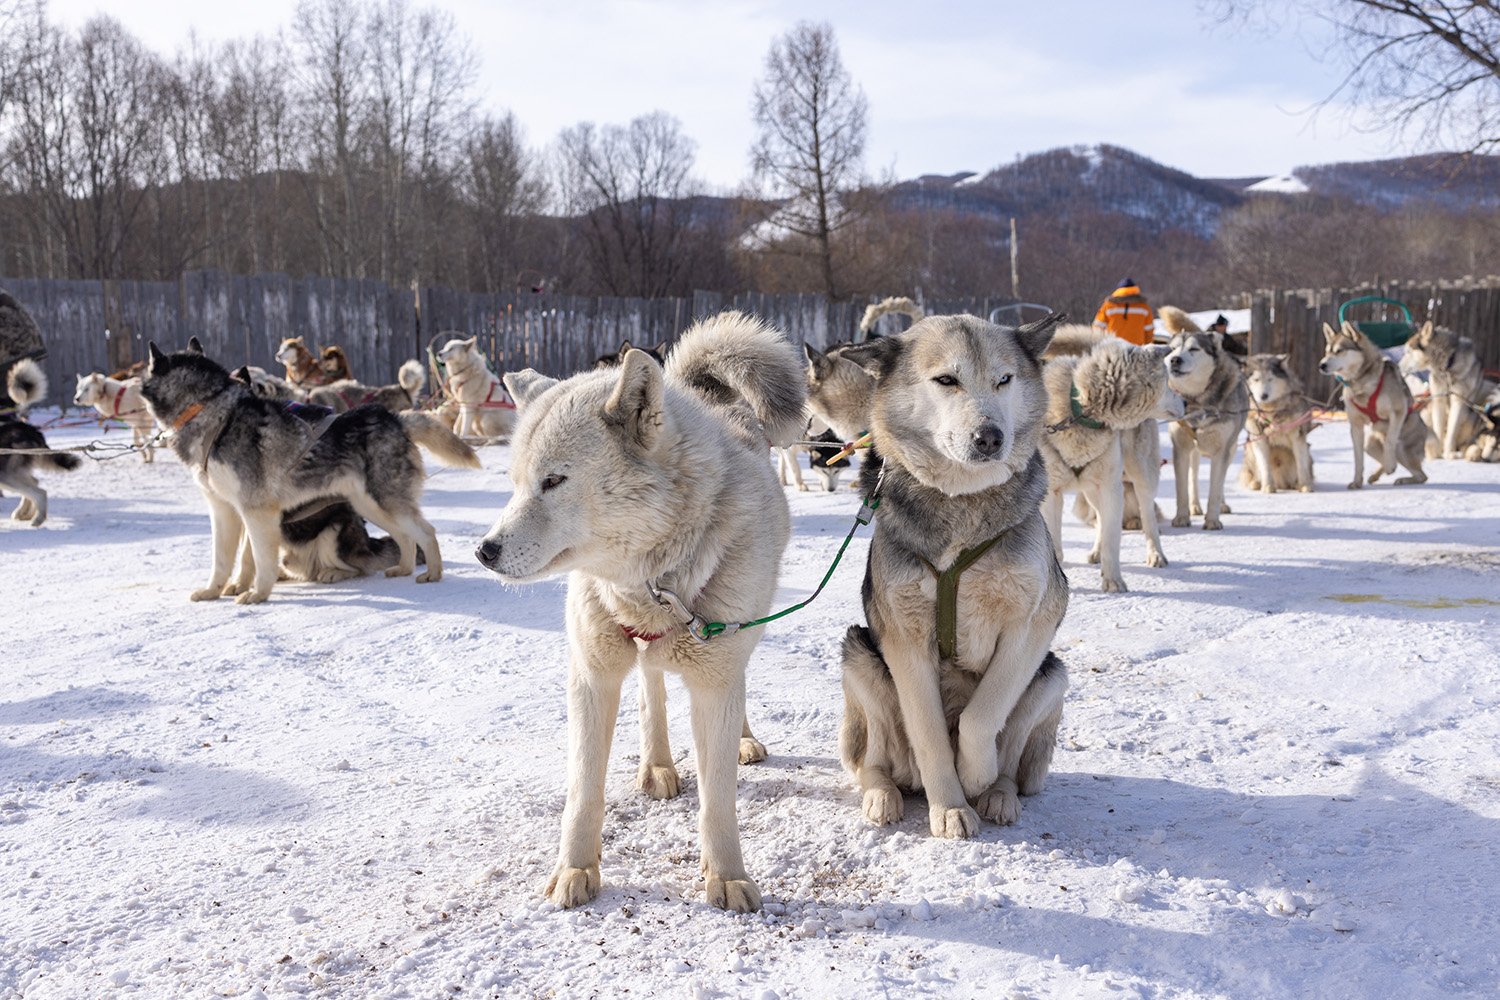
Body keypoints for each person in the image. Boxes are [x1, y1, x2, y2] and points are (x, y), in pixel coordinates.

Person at [1092, 278, 1155, 346]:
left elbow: (1098, 328)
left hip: (1114, 347)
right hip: (1137, 349)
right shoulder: (1144, 307)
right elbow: (1149, 332)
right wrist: (1147, 345)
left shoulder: (1108, 305)